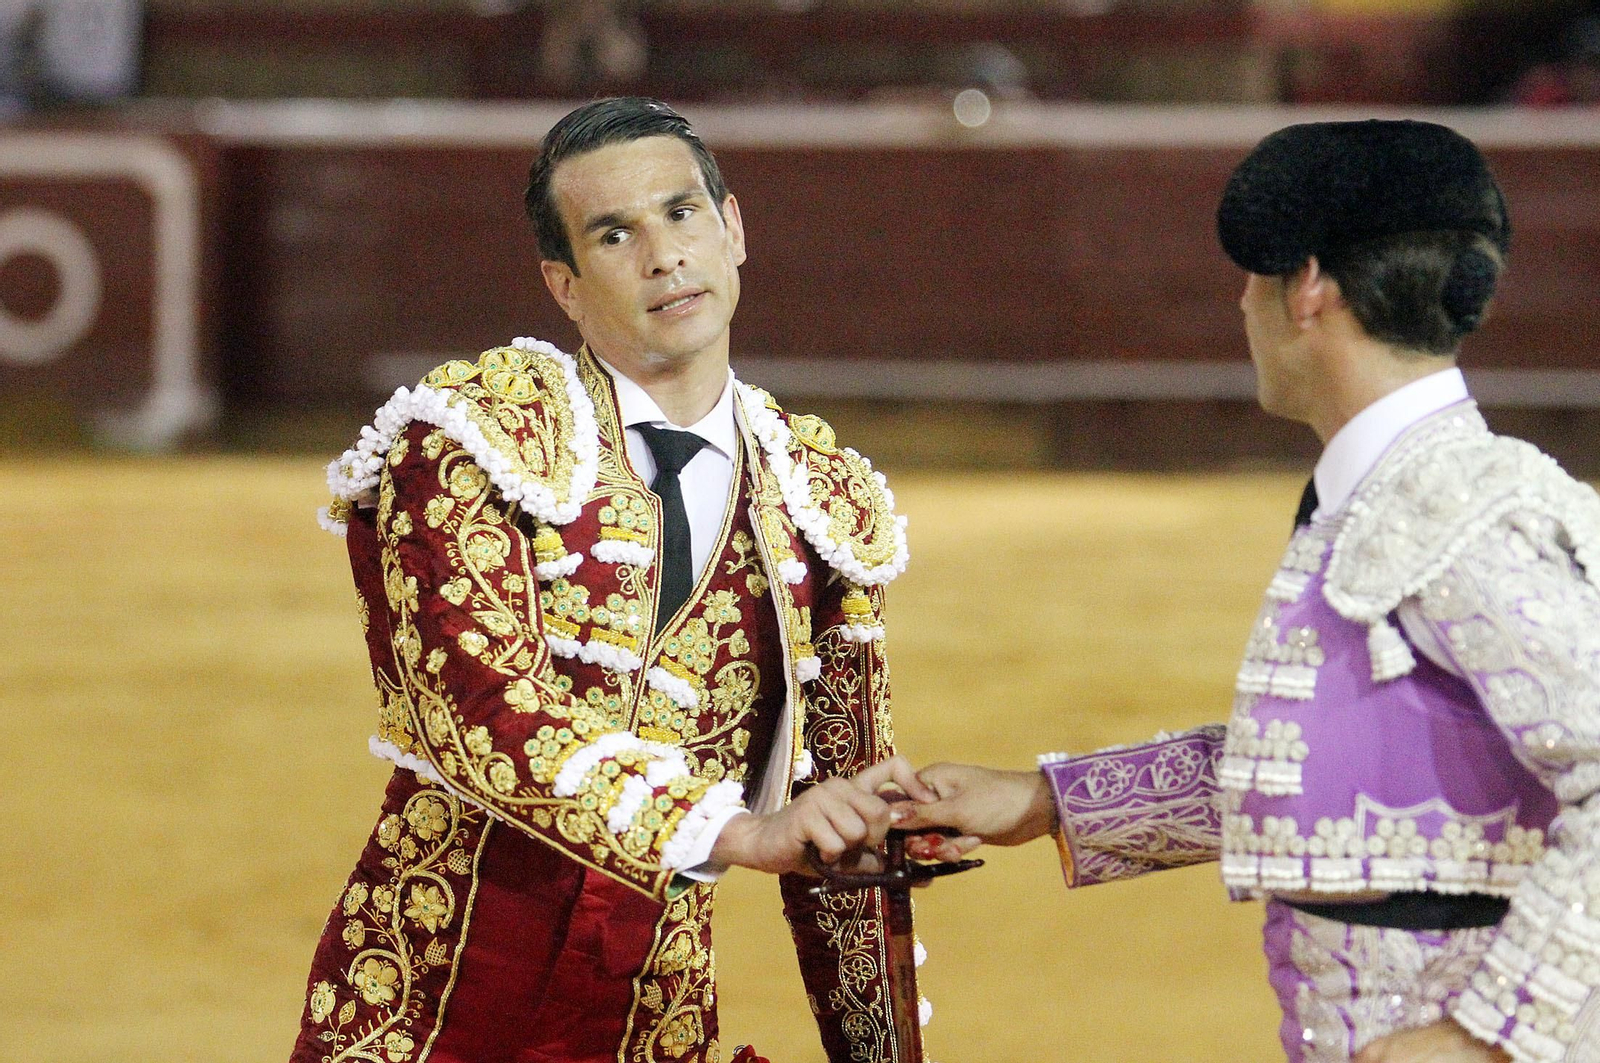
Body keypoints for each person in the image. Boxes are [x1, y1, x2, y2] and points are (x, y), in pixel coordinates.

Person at [896, 120, 1600, 1063]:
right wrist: (1047, 803)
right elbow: (1343, 777)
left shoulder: (1466, 509)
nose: (1241, 305)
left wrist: (1491, 1038)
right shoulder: (1394, 496)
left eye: (1253, 277)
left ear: (1306, 286)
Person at [290, 96, 929, 1063]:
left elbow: (847, 842)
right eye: (615, 233)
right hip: (426, 1002)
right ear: (565, 283)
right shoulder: (476, 436)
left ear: (734, 229)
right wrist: (731, 829)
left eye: (682, 214)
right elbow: (479, 712)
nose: (665, 256)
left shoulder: (816, 501)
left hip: (651, 1020)